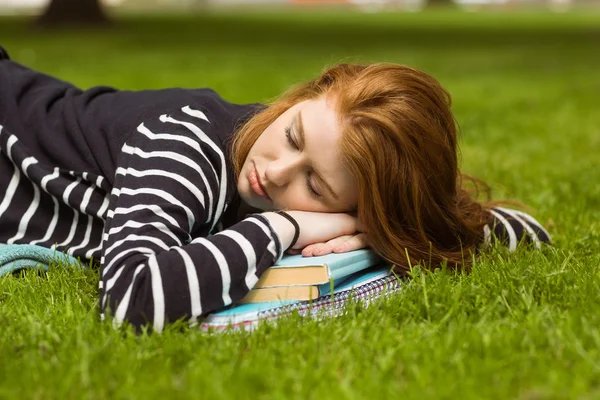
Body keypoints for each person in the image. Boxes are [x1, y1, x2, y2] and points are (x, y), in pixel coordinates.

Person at [0, 46, 550, 333]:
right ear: (301, 97)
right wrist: (285, 224)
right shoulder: (184, 143)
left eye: (315, 183)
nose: (277, 171)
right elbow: (129, 300)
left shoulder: (350, 205)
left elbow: (518, 233)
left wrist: (381, 235)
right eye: (291, 135)